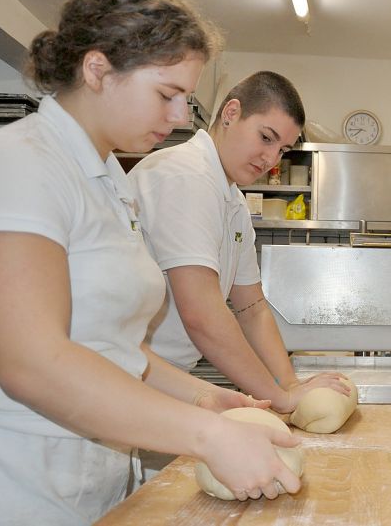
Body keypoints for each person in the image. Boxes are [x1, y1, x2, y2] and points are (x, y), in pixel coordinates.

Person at [0, 0, 302, 524]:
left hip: (95, 485)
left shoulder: (109, 182)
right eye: (167, 95)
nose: (177, 118)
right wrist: (207, 435)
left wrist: (203, 398)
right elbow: (30, 362)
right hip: (14, 487)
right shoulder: (16, 163)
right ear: (97, 70)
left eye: (185, 101)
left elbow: (109, 344)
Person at [128, 73, 350, 466]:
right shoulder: (186, 177)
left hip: (165, 379)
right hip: (134, 378)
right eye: (266, 138)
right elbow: (201, 314)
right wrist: (281, 398)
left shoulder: (231, 201)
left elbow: (251, 307)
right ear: (231, 113)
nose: (271, 159)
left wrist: (291, 385)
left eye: (282, 149)